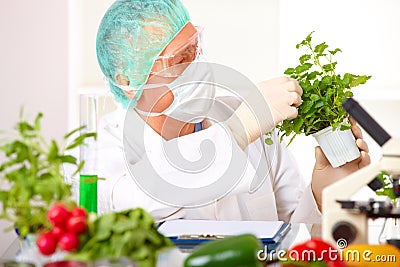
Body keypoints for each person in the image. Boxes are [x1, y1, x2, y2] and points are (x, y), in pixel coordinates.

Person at [94, 0, 370, 223]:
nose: (198, 63)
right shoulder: (104, 150)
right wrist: (238, 129)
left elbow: (298, 242)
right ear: (128, 81)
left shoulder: (245, 120)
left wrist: (323, 195)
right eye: (181, 58)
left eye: (196, 47)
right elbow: (136, 200)